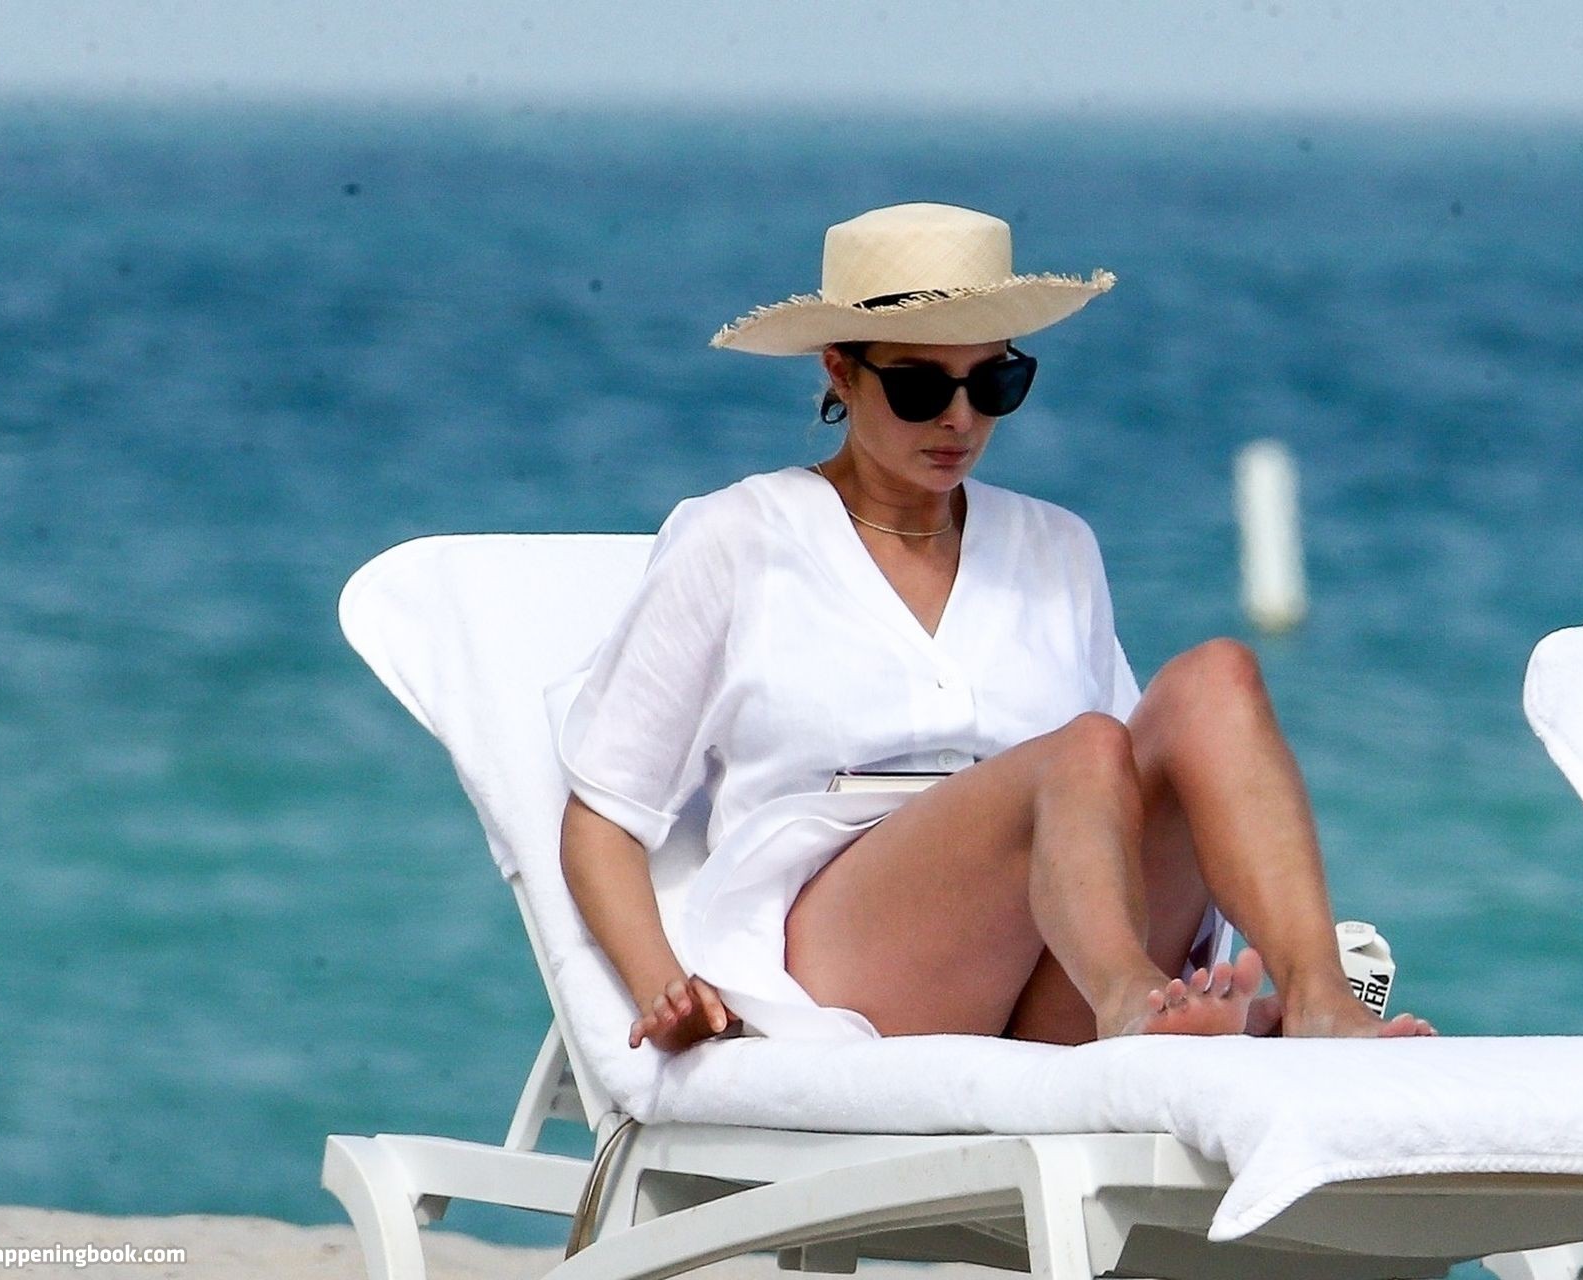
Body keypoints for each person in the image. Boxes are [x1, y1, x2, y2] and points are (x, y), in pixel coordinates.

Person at [557, 202, 1435, 1054]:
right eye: (919, 387)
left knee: (1218, 677)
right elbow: (602, 819)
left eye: (994, 383)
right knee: (1083, 748)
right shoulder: (737, 538)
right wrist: (660, 985)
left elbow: (1124, 789)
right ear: (840, 373)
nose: (961, 418)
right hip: (846, 957)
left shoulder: (1057, 545)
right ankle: (1132, 1004)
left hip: (1055, 968)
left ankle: (1318, 999)